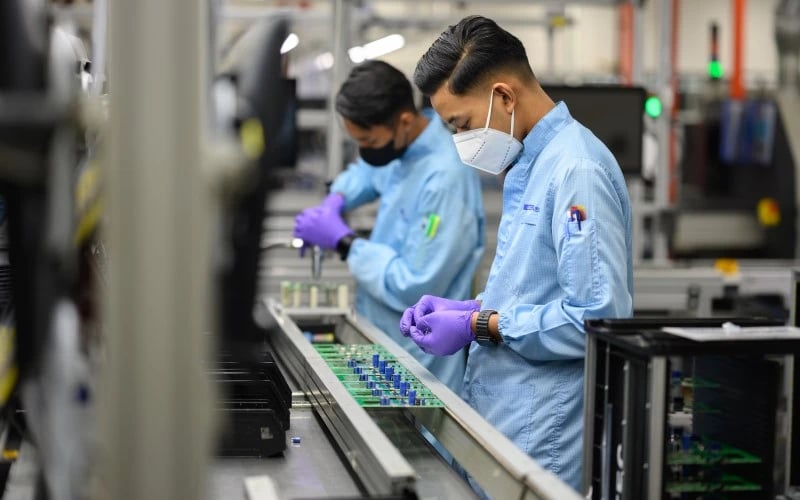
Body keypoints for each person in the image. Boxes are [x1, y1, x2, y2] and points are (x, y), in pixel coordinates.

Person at [401, 16, 633, 492]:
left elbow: (597, 318)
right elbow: (534, 283)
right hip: (505, 426)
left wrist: (480, 325)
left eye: (461, 125)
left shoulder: (576, 170)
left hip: (542, 439)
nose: (459, 141)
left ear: (504, 97)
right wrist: (471, 308)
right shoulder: (530, 164)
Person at [294, 60, 485, 395]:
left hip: (417, 363)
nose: (365, 151)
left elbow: (414, 285)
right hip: (379, 342)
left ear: (404, 121)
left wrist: (345, 242)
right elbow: (365, 174)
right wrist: (336, 199)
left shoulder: (444, 180)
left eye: (367, 140)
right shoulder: (402, 148)